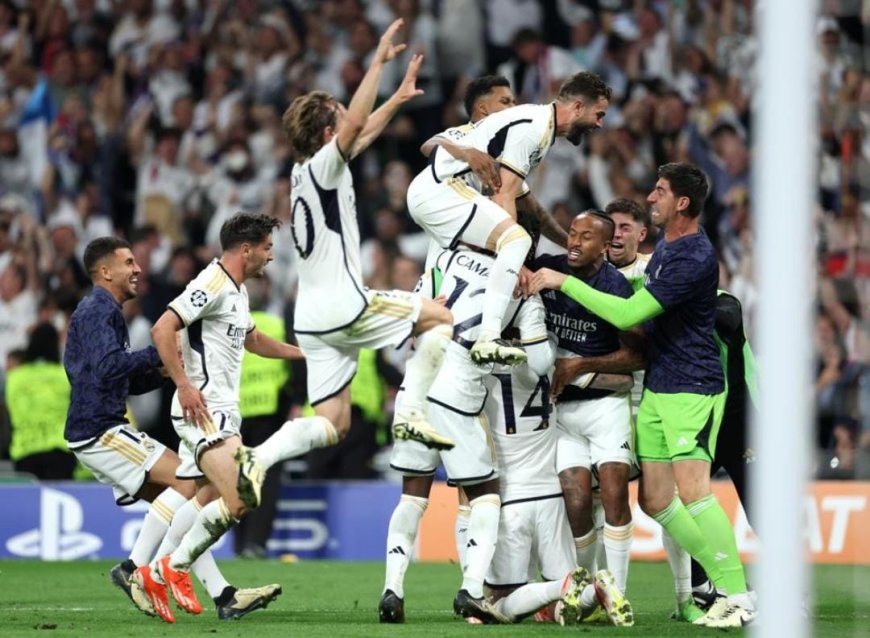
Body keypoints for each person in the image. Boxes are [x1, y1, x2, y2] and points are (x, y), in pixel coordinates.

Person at [527, 162, 756, 628]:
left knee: (695, 495)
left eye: (659, 191)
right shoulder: (669, 245)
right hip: (659, 385)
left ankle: (735, 593)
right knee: (655, 500)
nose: (651, 197)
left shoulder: (693, 255)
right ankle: (725, 580)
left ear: (682, 203)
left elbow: (633, 309)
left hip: (692, 385)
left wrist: (564, 281)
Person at [65, 238, 276, 621]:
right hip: (100, 430)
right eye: (129, 262)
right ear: (105, 271)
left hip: (97, 428)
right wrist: (160, 354)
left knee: (183, 510)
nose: (138, 269)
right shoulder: (98, 309)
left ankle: (223, 594)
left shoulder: (101, 311)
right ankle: (133, 568)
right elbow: (107, 367)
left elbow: (114, 380)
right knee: (188, 486)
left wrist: (165, 374)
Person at [279, 18, 455, 455]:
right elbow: (356, 124)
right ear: (327, 134)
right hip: (343, 305)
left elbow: (360, 131)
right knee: (442, 319)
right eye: (339, 115)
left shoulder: (305, 171)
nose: (348, 117)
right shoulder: (324, 164)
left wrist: (397, 97)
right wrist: (377, 63)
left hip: (312, 321)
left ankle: (259, 456)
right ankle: (412, 413)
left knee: (333, 423)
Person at [130, 213, 306, 623]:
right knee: (244, 494)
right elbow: (162, 328)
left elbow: (254, 340)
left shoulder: (236, 290)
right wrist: (185, 386)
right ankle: (164, 569)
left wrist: (302, 354)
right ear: (245, 249)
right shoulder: (210, 283)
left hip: (221, 411)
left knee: (204, 499)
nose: (270, 257)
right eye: (266, 248)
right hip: (203, 410)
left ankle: (157, 574)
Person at [379, 242, 556, 624]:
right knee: (485, 495)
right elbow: (541, 364)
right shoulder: (522, 289)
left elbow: (406, 326)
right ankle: (473, 590)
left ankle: (392, 590)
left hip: (415, 386)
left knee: (412, 497)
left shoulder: (445, 259)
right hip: (458, 390)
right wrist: (508, 347)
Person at [406, 71, 611, 366]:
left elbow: (532, 209)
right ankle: (488, 337)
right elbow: (504, 197)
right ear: (578, 107)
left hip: (448, 199)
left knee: (442, 279)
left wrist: (570, 245)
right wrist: (517, 265)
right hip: (443, 192)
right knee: (515, 241)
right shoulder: (534, 127)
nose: (600, 123)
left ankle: (428, 348)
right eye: (599, 113)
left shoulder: (538, 127)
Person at [534, 211, 642, 627]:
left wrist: (580, 365)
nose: (575, 243)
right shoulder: (551, 271)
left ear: (604, 247)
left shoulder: (614, 286)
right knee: (577, 501)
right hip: (562, 412)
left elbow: (638, 355)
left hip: (603, 405)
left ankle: (617, 589)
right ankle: (585, 587)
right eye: (572, 234)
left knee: (614, 488)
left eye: (586, 238)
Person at [419, 75, 569, 265]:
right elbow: (428, 145)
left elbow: (536, 211)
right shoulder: (466, 134)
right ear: (483, 108)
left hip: (478, 243)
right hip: (452, 238)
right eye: (505, 101)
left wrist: (568, 243)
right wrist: (466, 152)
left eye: (514, 102)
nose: (513, 108)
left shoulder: (507, 153)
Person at [6, 322, 75, 479]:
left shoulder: (14, 378)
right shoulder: (65, 376)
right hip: (60, 452)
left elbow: (10, 415)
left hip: (25, 451)